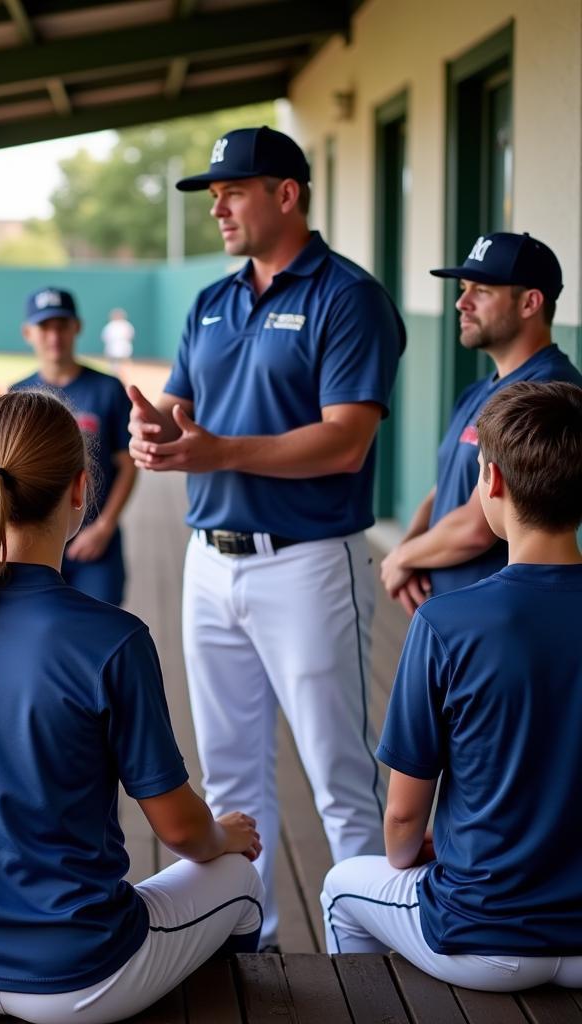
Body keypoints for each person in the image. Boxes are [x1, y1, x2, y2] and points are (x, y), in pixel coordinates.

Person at [0, 390, 263, 1024]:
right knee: (240, 882)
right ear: (80, 490)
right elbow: (181, 831)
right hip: (76, 977)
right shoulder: (113, 639)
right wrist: (228, 836)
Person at [127, 125, 405, 948]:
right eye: (212, 194)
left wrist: (215, 448)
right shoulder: (212, 301)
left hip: (309, 562)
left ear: (288, 194)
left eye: (233, 191)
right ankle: (242, 942)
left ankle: (365, 957)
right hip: (208, 561)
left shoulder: (347, 296)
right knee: (229, 779)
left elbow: (346, 438)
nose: (217, 206)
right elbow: (184, 410)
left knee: (340, 779)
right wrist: (159, 431)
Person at [322, 380, 582, 991]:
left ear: (491, 483)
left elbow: (402, 824)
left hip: (486, 940)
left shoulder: (446, 622)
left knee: (340, 888)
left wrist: (418, 851)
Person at [380, 232, 582, 613]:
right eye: (463, 288)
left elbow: (476, 527)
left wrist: (402, 558)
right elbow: (441, 489)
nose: (461, 302)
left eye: (482, 291)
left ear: (530, 303)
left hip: (502, 618)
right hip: (452, 611)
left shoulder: (549, 391)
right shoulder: (479, 390)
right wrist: (408, 549)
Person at [13, 288, 136, 605]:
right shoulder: (19, 395)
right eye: (45, 327)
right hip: (35, 544)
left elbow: (127, 464)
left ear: (77, 328)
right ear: (28, 333)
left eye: (62, 325)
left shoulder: (107, 389)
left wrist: (105, 526)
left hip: (95, 541)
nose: (54, 336)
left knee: (100, 632)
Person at [101, 308, 134, 377]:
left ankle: (127, 374)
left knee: (124, 361)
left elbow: (130, 336)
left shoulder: (126, 325)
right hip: (113, 346)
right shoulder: (110, 325)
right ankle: (115, 374)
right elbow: (106, 337)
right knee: (113, 363)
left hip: (123, 346)